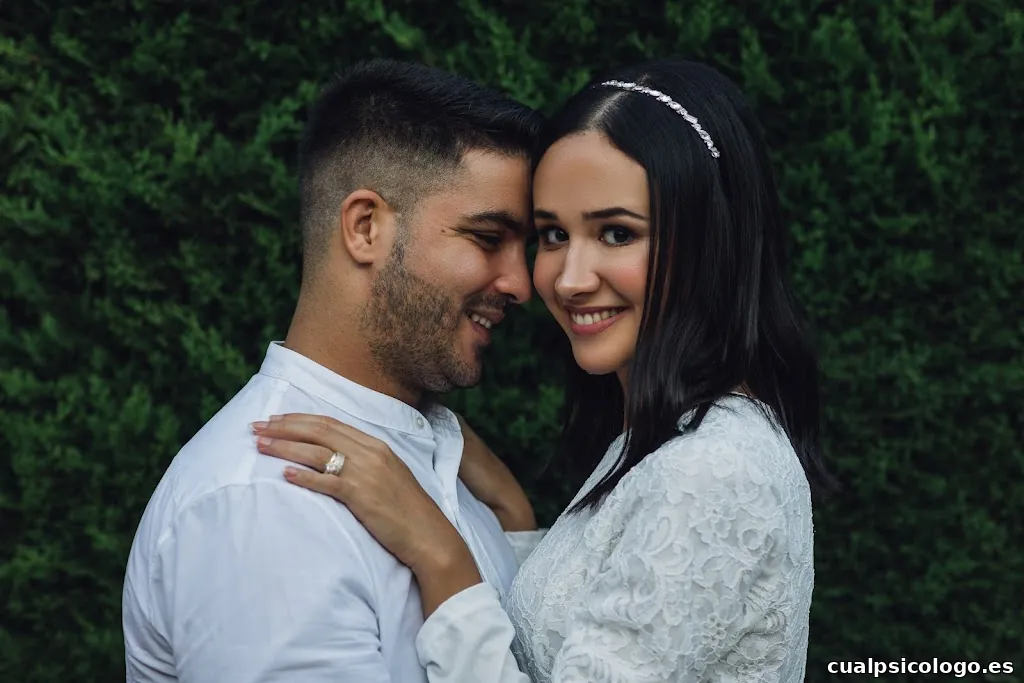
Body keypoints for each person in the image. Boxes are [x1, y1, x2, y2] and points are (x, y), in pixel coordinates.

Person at [253, 58, 836, 682]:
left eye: (616, 233)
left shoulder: (712, 469)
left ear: (708, 240)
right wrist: (510, 515)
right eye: (553, 235)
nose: (570, 279)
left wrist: (438, 553)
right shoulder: (670, 440)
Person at [121, 59, 545, 682]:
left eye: (526, 247)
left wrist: (511, 521)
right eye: (487, 238)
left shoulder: (439, 460)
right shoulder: (270, 502)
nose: (521, 283)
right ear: (365, 227)